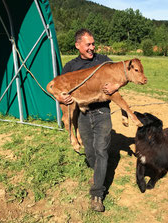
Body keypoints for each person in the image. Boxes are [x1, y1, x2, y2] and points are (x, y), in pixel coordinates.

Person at [58, 28, 119, 212]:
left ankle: (97, 194)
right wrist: (60, 97)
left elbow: (121, 75)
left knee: (101, 150)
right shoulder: (70, 67)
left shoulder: (104, 61)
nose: (92, 47)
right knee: (91, 152)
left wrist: (115, 84)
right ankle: (98, 171)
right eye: (88, 44)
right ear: (78, 45)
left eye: (93, 44)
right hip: (83, 114)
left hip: (102, 112)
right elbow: (59, 87)